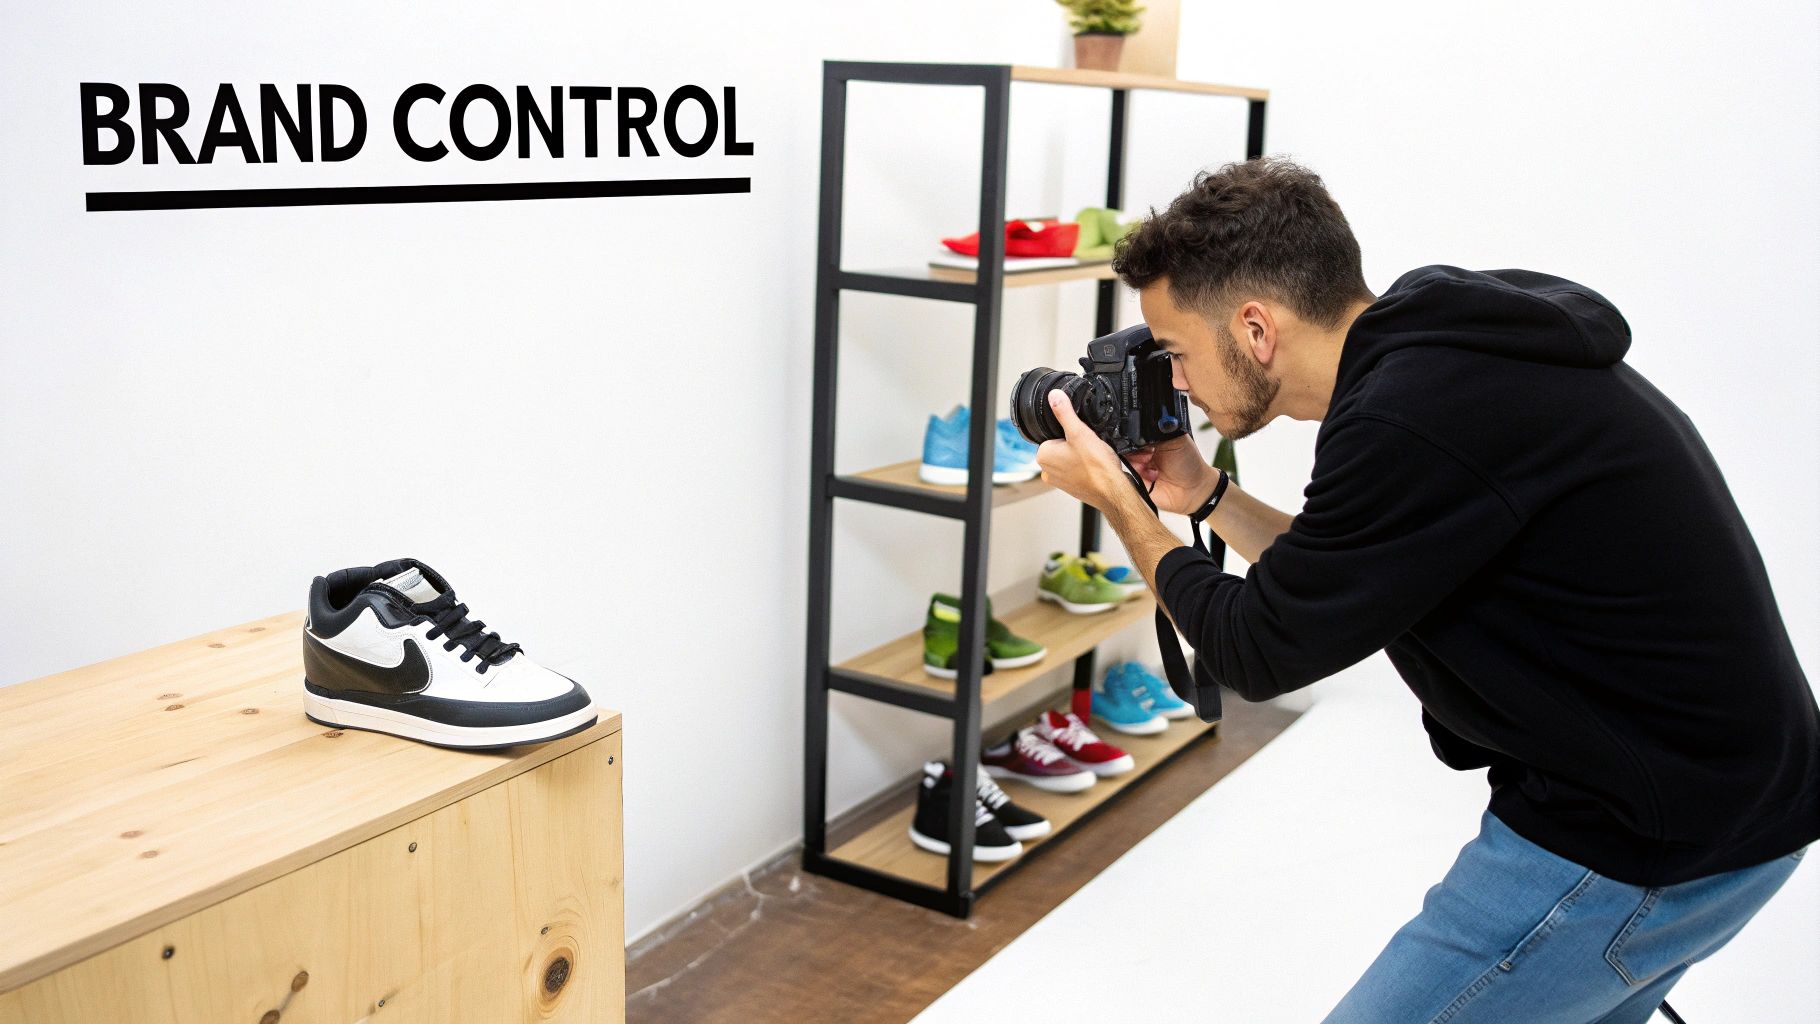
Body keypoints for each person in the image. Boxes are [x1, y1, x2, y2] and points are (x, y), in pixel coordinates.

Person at [1032, 157, 1819, 1022]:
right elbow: (1342, 575)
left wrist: (1117, 499)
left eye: (1176, 353)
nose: (1173, 382)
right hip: (1735, 803)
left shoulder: (1405, 416)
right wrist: (1203, 497)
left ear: (1256, 328)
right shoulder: (1439, 358)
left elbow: (1253, 649)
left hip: (1644, 838)